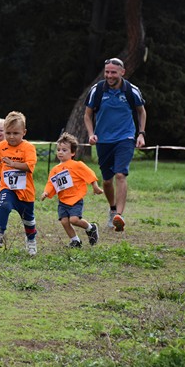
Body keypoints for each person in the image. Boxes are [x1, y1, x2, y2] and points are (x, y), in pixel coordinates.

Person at [84, 58, 147, 232]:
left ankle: (120, 215)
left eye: (113, 72)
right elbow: (87, 115)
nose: (110, 75)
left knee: (120, 175)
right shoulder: (96, 91)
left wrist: (141, 134)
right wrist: (91, 134)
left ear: (122, 72)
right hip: (103, 140)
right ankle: (112, 209)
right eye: (107, 72)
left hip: (125, 138)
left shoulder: (131, 91)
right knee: (106, 181)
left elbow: (141, 112)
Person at [0, 111, 38, 256]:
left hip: (25, 191)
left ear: (24, 132)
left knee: (28, 220)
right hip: (7, 188)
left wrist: (13, 164)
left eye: (15, 133)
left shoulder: (28, 148)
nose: (11, 137)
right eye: (8, 133)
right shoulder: (2, 145)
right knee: (3, 205)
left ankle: (31, 240)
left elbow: (29, 167)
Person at [41, 132, 103, 248]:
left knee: (74, 220)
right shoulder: (55, 169)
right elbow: (51, 183)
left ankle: (91, 228)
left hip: (75, 199)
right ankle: (75, 241)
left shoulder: (77, 165)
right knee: (64, 222)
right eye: (58, 149)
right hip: (63, 201)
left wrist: (95, 186)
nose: (60, 152)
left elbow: (89, 174)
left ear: (73, 153)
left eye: (64, 150)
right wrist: (46, 192)